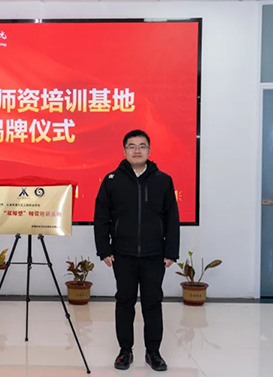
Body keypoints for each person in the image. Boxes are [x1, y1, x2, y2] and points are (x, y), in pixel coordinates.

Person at [94, 129, 180, 372]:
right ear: (124, 151)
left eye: (142, 146)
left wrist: (171, 251)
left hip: (154, 255)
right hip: (123, 253)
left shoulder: (163, 180)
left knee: (152, 303)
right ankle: (125, 351)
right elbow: (101, 217)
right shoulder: (112, 180)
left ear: (149, 150)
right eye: (131, 146)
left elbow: (172, 218)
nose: (137, 150)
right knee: (125, 302)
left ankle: (153, 353)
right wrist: (104, 249)